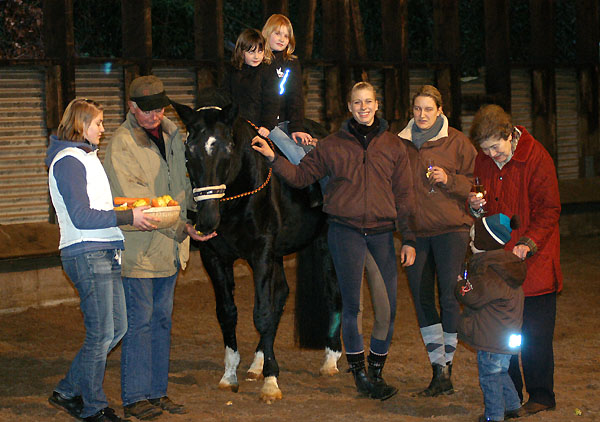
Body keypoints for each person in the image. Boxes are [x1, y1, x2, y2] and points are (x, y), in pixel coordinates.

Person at [252, 81, 416, 401]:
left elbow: (405, 195)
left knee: (386, 308)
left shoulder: (394, 146)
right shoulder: (331, 145)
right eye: (357, 103)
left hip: (382, 235)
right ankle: (359, 375)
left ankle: (377, 370)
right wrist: (273, 157)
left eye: (368, 102)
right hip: (346, 233)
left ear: (377, 105)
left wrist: (408, 238)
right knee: (352, 307)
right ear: (349, 107)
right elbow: (301, 177)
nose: (363, 107)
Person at [103, 75, 216, 421]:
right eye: (147, 109)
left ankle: (156, 392)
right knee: (140, 323)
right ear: (132, 108)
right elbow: (138, 204)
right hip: (139, 249)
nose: (154, 115)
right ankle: (135, 397)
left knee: (162, 322)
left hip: (168, 249)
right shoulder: (122, 144)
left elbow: (181, 184)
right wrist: (182, 227)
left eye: (159, 108)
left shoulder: (173, 135)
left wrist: (193, 218)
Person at [46, 98, 158, 422]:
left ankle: (68, 390)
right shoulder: (68, 160)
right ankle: (94, 407)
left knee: (116, 327)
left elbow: (93, 204)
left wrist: (124, 207)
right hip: (87, 252)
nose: (103, 129)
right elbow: (81, 216)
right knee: (101, 333)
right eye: (98, 123)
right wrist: (127, 216)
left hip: (103, 251)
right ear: (82, 125)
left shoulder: (84, 157)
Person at [468, 104, 562, 415]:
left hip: (534, 262)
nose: (492, 155)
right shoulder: (484, 161)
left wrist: (528, 242)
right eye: (485, 150)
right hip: (499, 264)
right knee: (501, 335)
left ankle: (541, 395)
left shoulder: (537, 158)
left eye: (496, 147)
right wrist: (475, 206)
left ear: (510, 135)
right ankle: (510, 398)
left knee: (535, 334)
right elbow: (481, 204)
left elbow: (549, 209)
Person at [397, 85, 477, 396]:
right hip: (415, 234)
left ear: (440, 110)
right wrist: (404, 232)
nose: (422, 114)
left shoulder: (457, 141)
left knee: (448, 298)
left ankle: (448, 368)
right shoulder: (400, 144)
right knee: (421, 299)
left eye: (429, 109)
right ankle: (437, 369)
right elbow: (395, 189)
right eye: (417, 109)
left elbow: (476, 184)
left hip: (451, 231)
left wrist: (450, 181)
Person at [456, 213, 527, 422]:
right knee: (501, 372)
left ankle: (494, 416)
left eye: (473, 238)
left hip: (491, 337)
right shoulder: (507, 266)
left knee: (489, 377)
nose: (470, 243)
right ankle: (513, 406)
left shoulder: (489, 270)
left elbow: (474, 297)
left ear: (484, 242)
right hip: (507, 334)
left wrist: (461, 285)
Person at [261, 13, 316, 164]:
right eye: (277, 33)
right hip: (267, 123)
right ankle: (305, 174)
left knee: (313, 151)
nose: (282, 39)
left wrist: (296, 127)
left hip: (284, 121)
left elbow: (295, 97)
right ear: (267, 33)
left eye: (286, 36)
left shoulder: (291, 63)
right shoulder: (259, 62)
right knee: (298, 156)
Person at [223, 28, 272, 137]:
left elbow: (272, 101)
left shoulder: (266, 72)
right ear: (241, 52)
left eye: (260, 51)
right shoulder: (232, 72)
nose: (256, 56)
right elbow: (226, 98)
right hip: (235, 124)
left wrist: (267, 125)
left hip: (260, 127)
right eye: (251, 52)